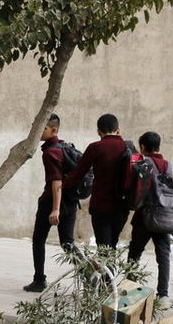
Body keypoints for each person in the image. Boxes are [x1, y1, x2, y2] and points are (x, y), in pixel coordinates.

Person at [23, 114, 78, 292]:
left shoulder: (51, 152)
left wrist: (55, 209)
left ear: (54, 130)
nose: (39, 130)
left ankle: (39, 280)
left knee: (38, 240)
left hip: (52, 203)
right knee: (68, 245)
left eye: (43, 128)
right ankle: (91, 274)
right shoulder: (63, 147)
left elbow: (57, 181)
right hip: (70, 203)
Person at [126, 131, 173, 298]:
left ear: (143, 147)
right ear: (159, 146)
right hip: (165, 218)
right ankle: (163, 294)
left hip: (144, 218)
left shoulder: (144, 163)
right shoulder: (171, 167)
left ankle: (129, 290)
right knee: (163, 256)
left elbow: (137, 189)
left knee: (135, 254)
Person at [62, 113, 132, 248]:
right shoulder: (128, 148)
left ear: (98, 131)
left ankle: (106, 269)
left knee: (103, 246)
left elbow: (78, 173)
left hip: (101, 205)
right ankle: (110, 268)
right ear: (118, 130)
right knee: (112, 244)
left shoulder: (95, 148)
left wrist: (63, 186)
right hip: (122, 206)